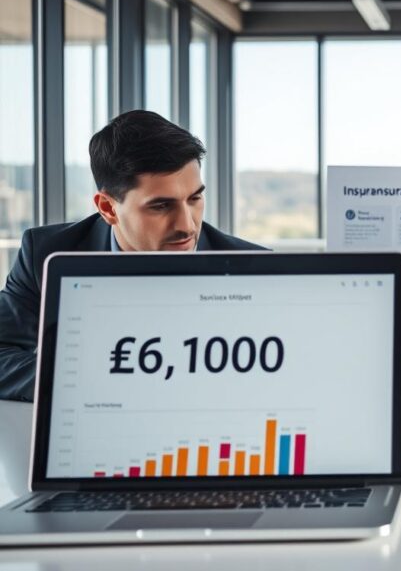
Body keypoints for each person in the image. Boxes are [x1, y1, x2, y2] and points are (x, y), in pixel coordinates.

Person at [0, 110, 264, 401]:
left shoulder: (254, 266)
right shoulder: (47, 252)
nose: (187, 226)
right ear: (108, 208)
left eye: (194, 198)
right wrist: (82, 376)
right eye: (161, 206)